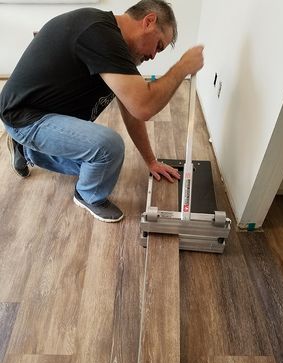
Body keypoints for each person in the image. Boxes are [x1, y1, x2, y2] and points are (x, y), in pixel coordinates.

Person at [0, 0, 204, 223]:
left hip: (39, 112)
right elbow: (144, 106)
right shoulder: (98, 33)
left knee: (101, 166)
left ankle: (25, 150)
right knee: (108, 148)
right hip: (24, 116)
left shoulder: (111, 42)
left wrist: (151, 161)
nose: (153, 56)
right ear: (149, 21)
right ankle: (87, 196)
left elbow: (132, 110)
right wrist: (182, 67)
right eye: (158, 46)